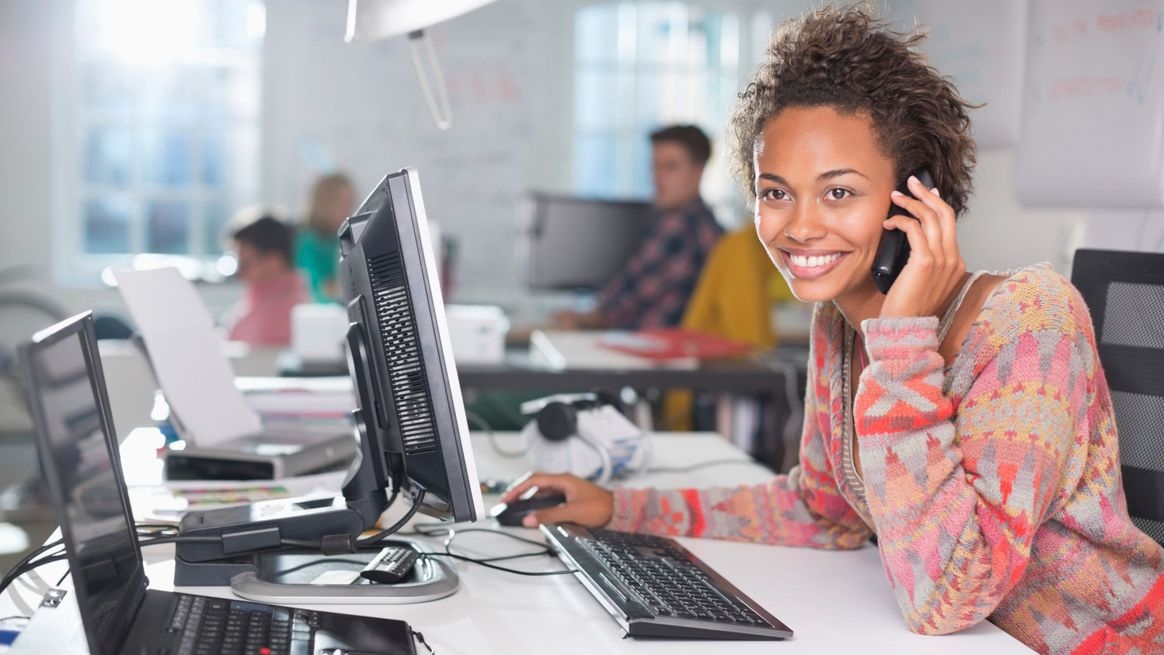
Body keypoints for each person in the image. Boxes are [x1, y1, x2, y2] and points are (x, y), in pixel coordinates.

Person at [502, 6, 1164, 654]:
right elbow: (821, 511)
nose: (798, 226)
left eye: (839, 192)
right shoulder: (840, 324)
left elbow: (949, 597)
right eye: (775, 191)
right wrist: (621, 510)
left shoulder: (1029, 321)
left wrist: (902, 346)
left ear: (914, 198)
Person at [553, 125, 724, 330]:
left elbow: (624, 299)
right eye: (654, 166)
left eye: (670, 167)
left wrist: (583, 319)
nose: (657, 178)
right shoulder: (710, 226)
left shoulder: (680, 226)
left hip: (654, 351)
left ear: (698, 170)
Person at [221, 209, 309, 346]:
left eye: (245, 264)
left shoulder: (278, 314)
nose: (240, 273)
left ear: (274, 261)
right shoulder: (259, 298)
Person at [295, 172, 356, 303]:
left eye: (350, 202)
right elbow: (323, 289)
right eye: (342, 203)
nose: (348, 209)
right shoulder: (309, 242)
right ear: (325, 203)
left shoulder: (338, 238)